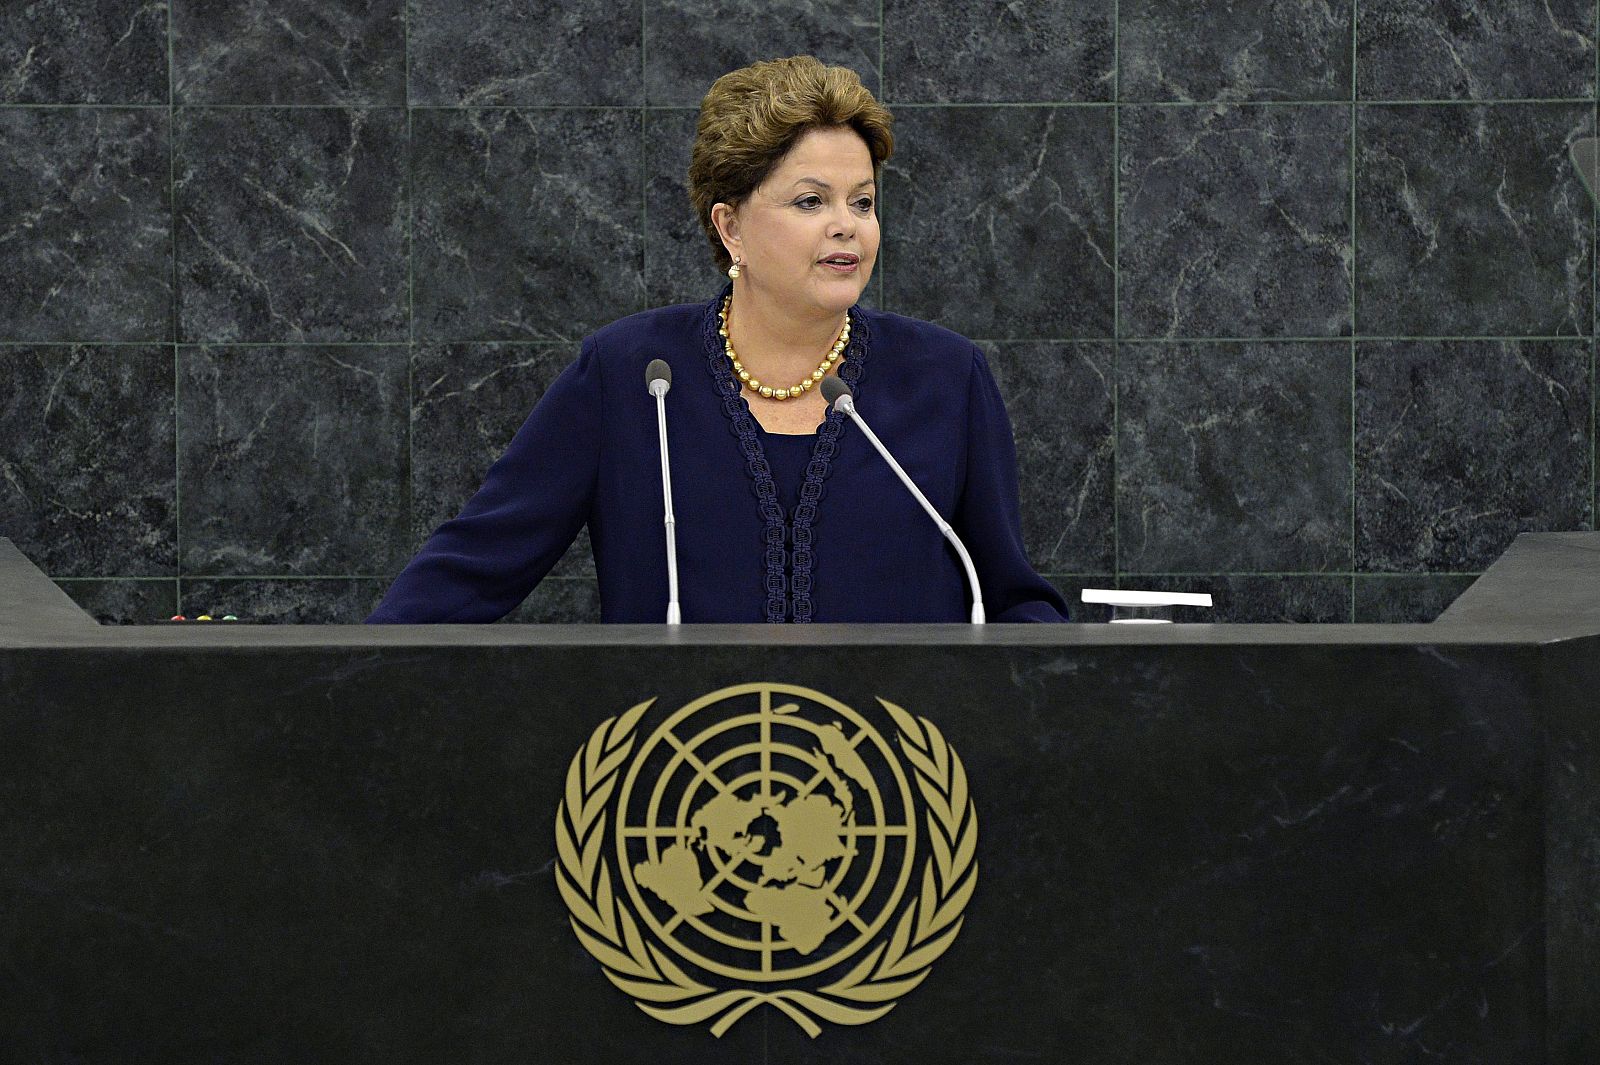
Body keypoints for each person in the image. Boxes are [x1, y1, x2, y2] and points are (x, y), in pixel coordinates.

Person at [367, 56, 1068, 624]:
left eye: (863, 201)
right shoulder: (633, 376)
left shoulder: (946, 376)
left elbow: (1013, 599)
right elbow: (469, 572)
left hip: (888, 793)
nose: (847, 225)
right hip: (677, 788)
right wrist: (335, 682)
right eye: (810, 200)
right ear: (730, 227)